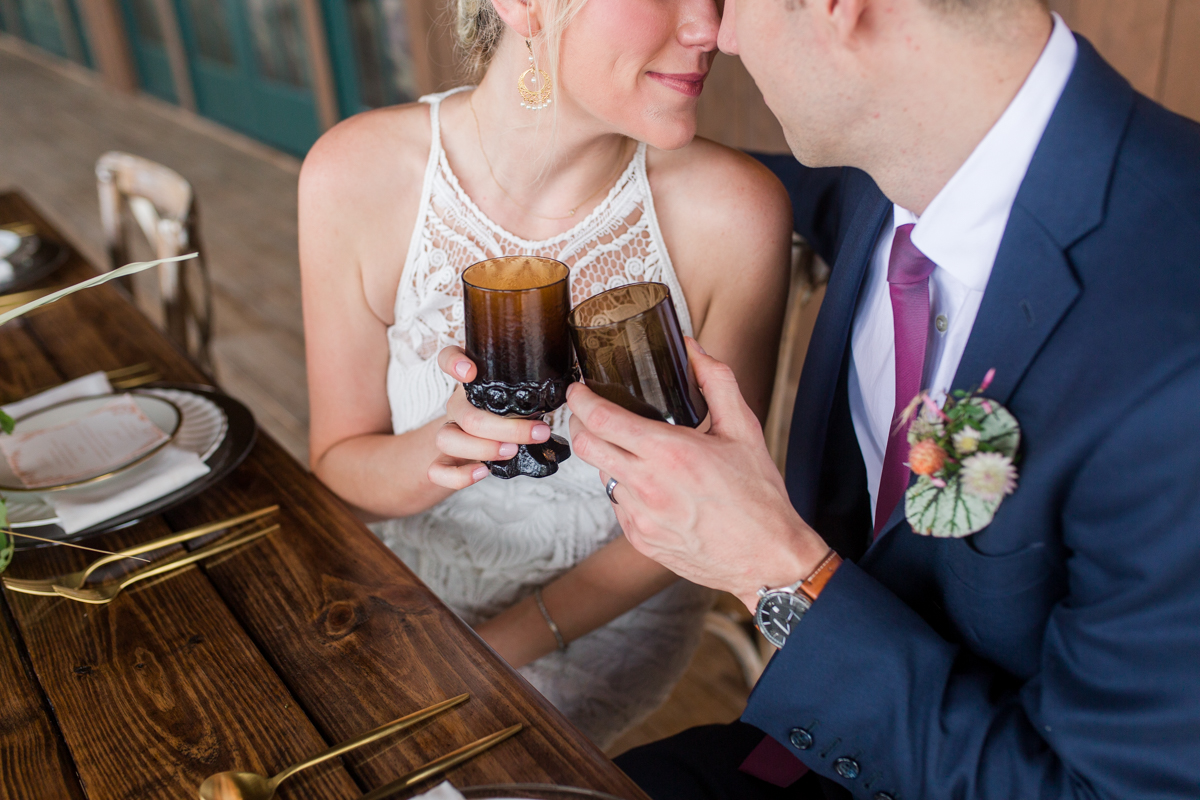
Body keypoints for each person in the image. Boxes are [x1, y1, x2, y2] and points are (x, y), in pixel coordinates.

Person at [565, 0, 1200, 796]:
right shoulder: (904, 158)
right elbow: (780, 190)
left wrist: (776, 571)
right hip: (807, 751)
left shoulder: (1176, 372)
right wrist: (562, 144)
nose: (722, 35)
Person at [297, 0, 793, 748]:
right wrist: (438, 448)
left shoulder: (733, 214)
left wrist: (495, 651)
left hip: (599, 617)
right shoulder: (356, 173)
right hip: (403, 584)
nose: (712, 30)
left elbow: (709, 515)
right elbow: (337, 463)